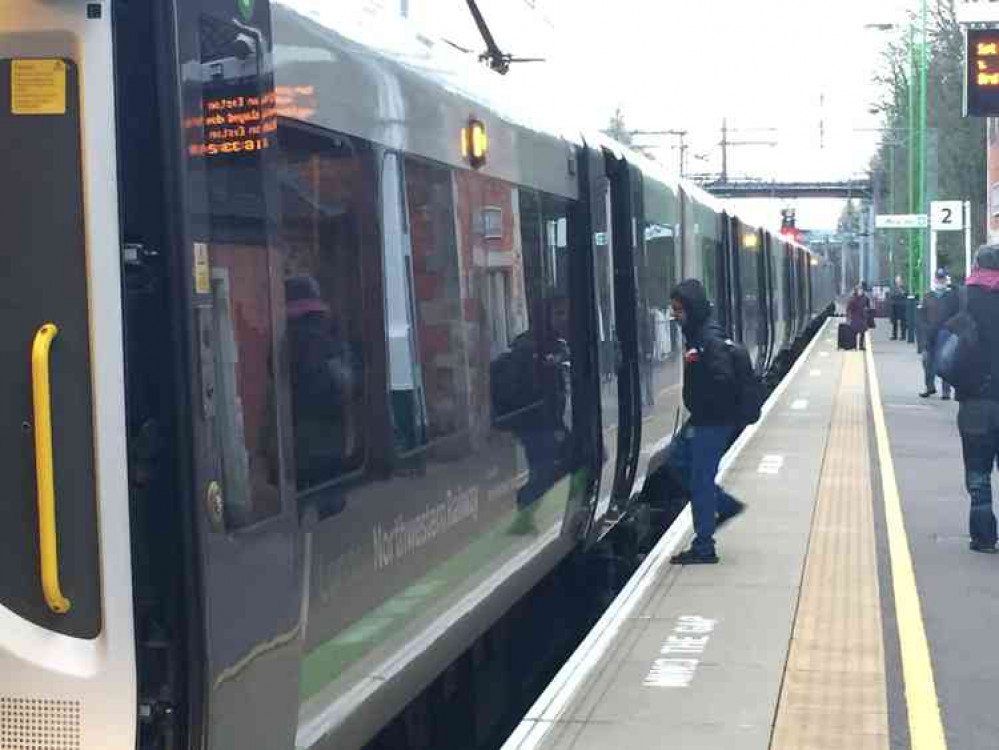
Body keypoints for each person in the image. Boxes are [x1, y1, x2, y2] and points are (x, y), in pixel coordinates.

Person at [666, 279, 745, 565]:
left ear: (692, 308)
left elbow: (723, 379)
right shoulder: (697, 333)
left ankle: (704, 547)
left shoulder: (708, 338)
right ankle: (724, 504)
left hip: (710, 423)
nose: (674, 314)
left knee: (700, 481)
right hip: (703, 420)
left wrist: (706, 406)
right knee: (677, 460)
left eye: (678, 309)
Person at [953, 245, 999, 553]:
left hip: (975, 402)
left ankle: (983, 538)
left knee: (979, 472)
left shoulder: (964, 297)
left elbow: (937, 337)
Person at [919, 268, 958, 399]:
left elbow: (957, 315)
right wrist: (923, 338)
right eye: (938, 279)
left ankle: (946, 391)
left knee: (945, 361)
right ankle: (929, 387)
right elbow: (922, 318)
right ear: (935, 279)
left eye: (942, 279)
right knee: (926, 360)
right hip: (929, 334)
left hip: (945, 334)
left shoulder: (952, 296)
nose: (940, 281)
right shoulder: (928, 296)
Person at [846, 284, 869, 351]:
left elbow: (868, 306)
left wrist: (867, 312)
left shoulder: (865, 298)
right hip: (855, 317)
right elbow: (848, 309)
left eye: (861, 290)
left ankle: (861, 346)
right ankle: (854, 346)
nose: (860, 292)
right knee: (854, 332)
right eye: (859, 290)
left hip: (862, 317)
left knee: (862, 332)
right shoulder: (852, 299)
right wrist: (848, 318)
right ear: (856, 291)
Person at [889, 275, 908, 340]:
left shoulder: (904, 287)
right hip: (895, 305)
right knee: (894, 322)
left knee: (903, 322)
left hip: (902, 306)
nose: (898, 282)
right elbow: (891, 295)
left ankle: (903, 336)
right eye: (897, 280)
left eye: (899, 280)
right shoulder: (893, 287)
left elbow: (906, 294)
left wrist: (901, 292)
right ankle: (894, 335)